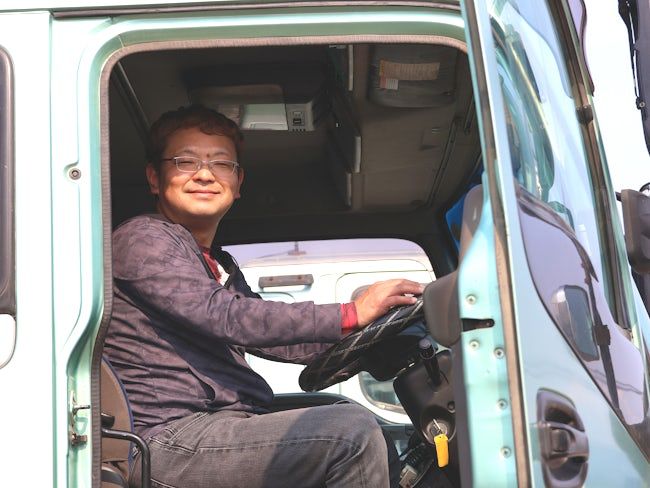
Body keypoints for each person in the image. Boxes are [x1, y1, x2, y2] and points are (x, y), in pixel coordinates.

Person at [104, 105, 424, 488]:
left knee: (353, 418)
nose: (204, 174)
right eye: (185, 162)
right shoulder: (143, 239)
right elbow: (227, 317)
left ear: (238, 183)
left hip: (219, 423)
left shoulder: (217, 264)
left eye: (221, 163)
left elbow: (272, 337)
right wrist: (350, 312)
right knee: (348, 434)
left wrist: (366, 339)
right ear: (155, 178)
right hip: (166, 441)